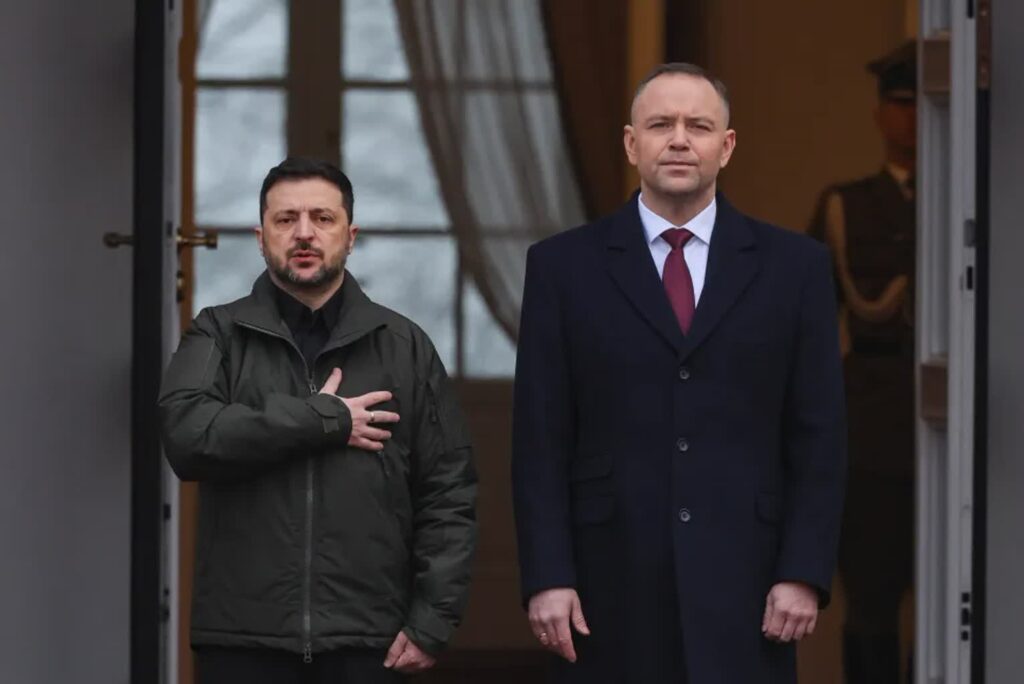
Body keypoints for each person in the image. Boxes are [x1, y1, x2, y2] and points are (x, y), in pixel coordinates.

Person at [511, 63, 847, 683]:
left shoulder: (795, 267)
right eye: (660, 124)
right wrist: (548, 575)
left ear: (728, 145)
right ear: (631, 143)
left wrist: (803, 570)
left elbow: (818, 434)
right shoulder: (562, 267)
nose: (680, 140)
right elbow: (541, 437)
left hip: (751, 579)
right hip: (608, 577)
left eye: (699, 126)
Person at [159, 157, 477, 683]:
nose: (304, 233)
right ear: (261, 238)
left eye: (322, 218)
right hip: (241, 640)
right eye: (286, 219)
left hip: (370, 640)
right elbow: (186, 436)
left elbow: (448, 490)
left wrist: (433, 620)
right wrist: (321, 420)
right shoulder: (218, 334)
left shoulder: (405, 346)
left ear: (350, 237)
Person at [808, 41, 917, 684]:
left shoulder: (976, 198)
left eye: (921, 103)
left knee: (955, 608)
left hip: (959, 429)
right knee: (871, 607)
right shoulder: (845, 207)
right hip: (870, 430)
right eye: (900, 104)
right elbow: (809, 329)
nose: (912, 118)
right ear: (880, 114)